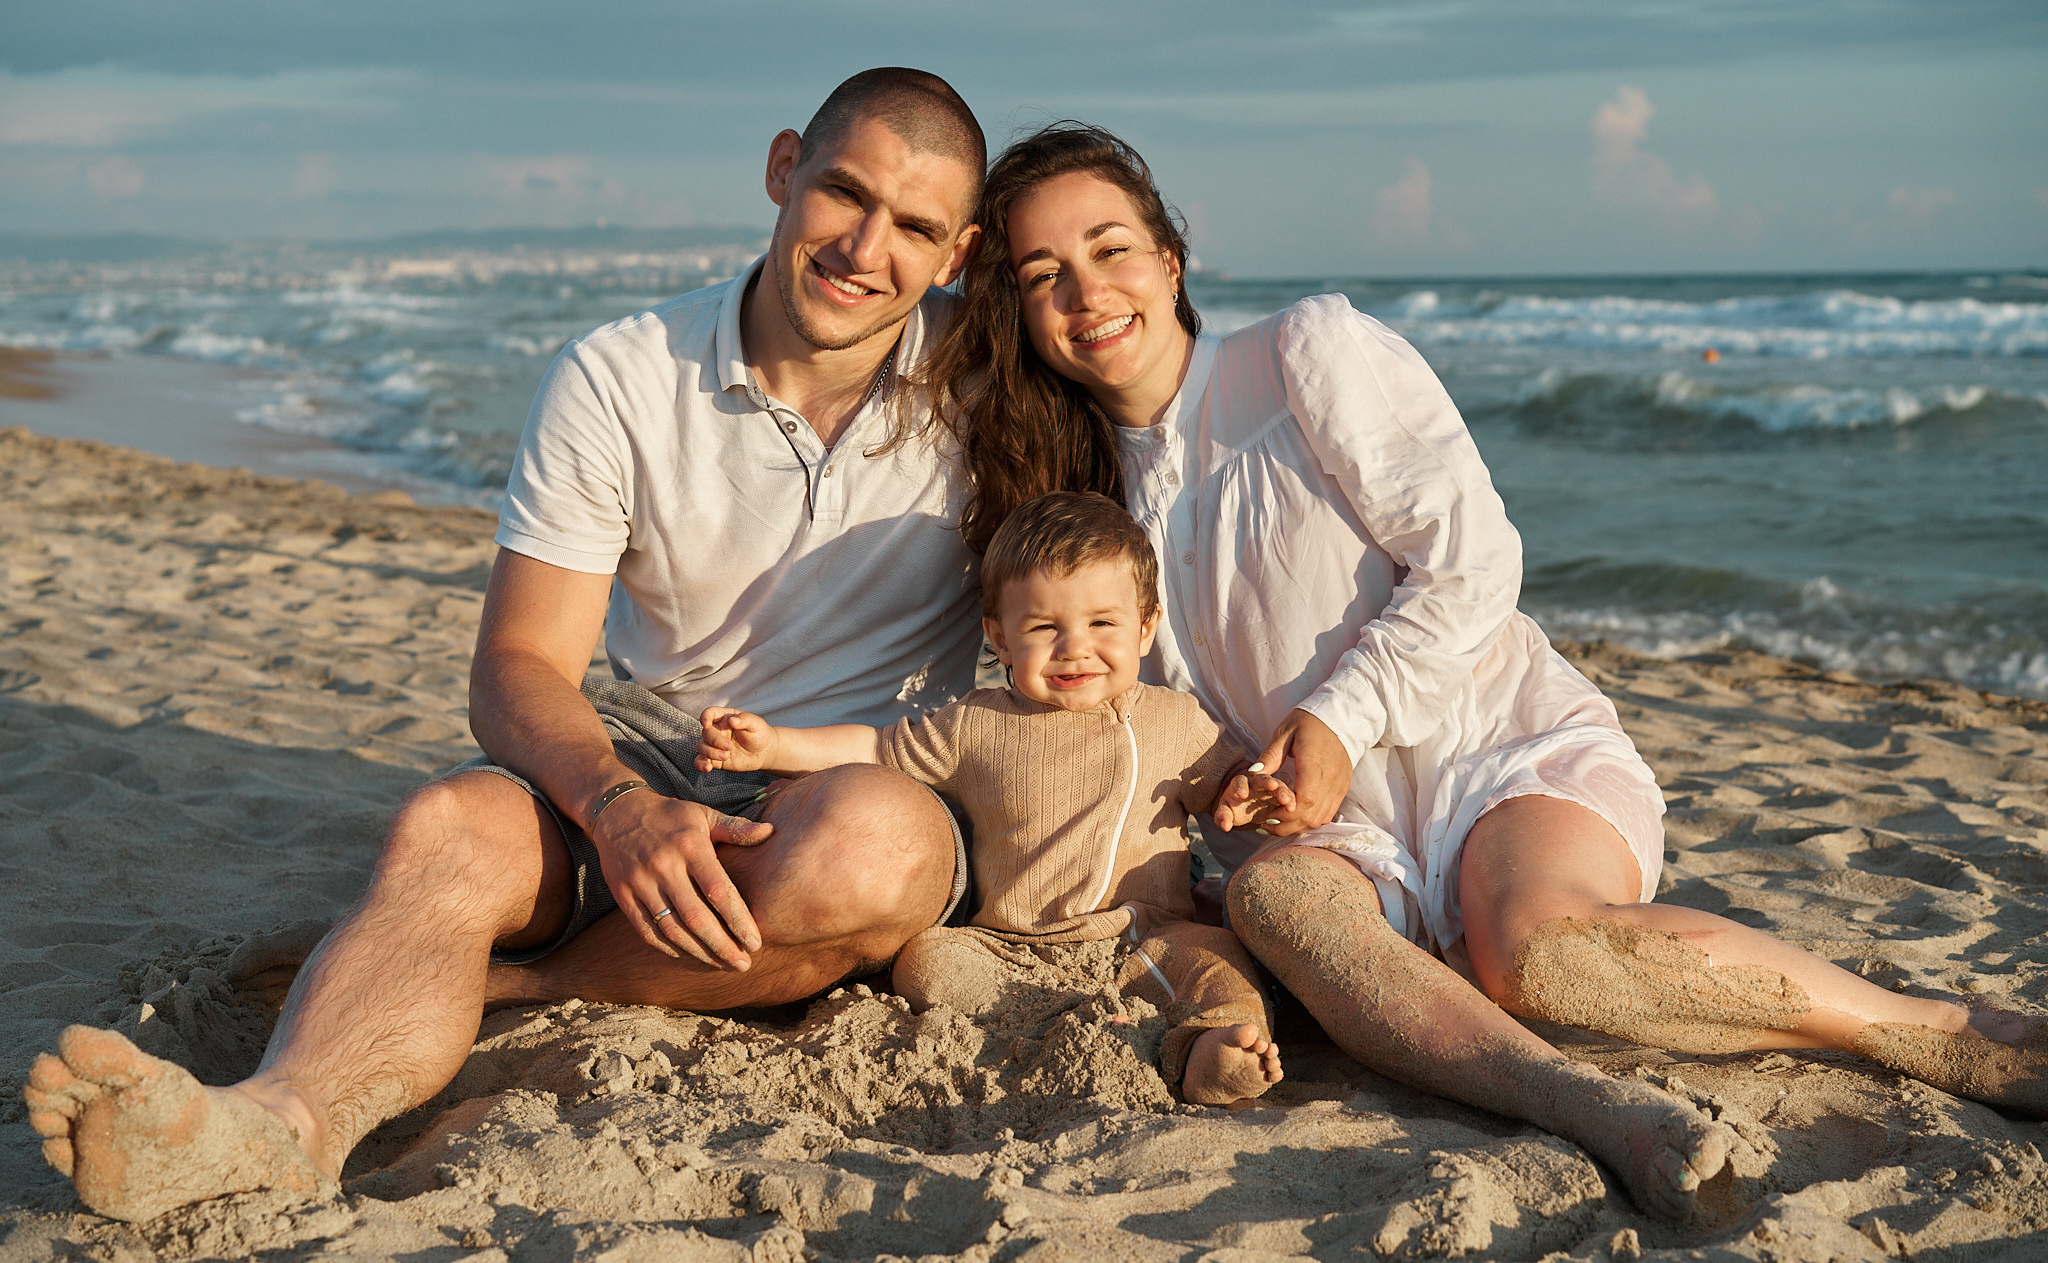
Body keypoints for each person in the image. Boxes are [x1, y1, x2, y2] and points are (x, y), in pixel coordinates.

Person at [926, 121, 2048, 1222]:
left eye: (1110, 247)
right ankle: (1587, 1105)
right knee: (1275, 900)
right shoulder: (1081, 514)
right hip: (1327, 832)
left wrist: (1333, 722)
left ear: (1170, 259)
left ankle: (1920, 1029)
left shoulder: (1301, 355)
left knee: (1529, 953)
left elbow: (1472, 561)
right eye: (1041, 274)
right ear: (1018, 313)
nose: (1085, 290)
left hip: (1493, 749)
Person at [25, 68, 994, 1224]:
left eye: (915, 227)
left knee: (869, 858)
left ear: (957, 252)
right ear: (784, 168)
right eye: (844, 193)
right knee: (446, 829)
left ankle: (494, 982)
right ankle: (277, 1123)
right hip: (650, 740)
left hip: (856, 772)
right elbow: (519, 665)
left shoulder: (996, 393)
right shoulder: (621, 373)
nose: (863, 247)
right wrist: (620, 808)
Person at [697, 490, 1287, 1105]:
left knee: (1219, 960)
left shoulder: (1173, 720)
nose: (1075, 647)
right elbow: (874, 748)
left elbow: (1228, 782)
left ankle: (1207, 1051)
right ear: (1000, 639)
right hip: (1010, 948)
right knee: (926, 963)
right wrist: (771, 745)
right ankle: (1077, 1028)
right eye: (1043, 628)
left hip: (1144, 935)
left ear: (1145, 627)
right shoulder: (975, 726)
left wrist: (1249, 793)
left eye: (1102, 623)